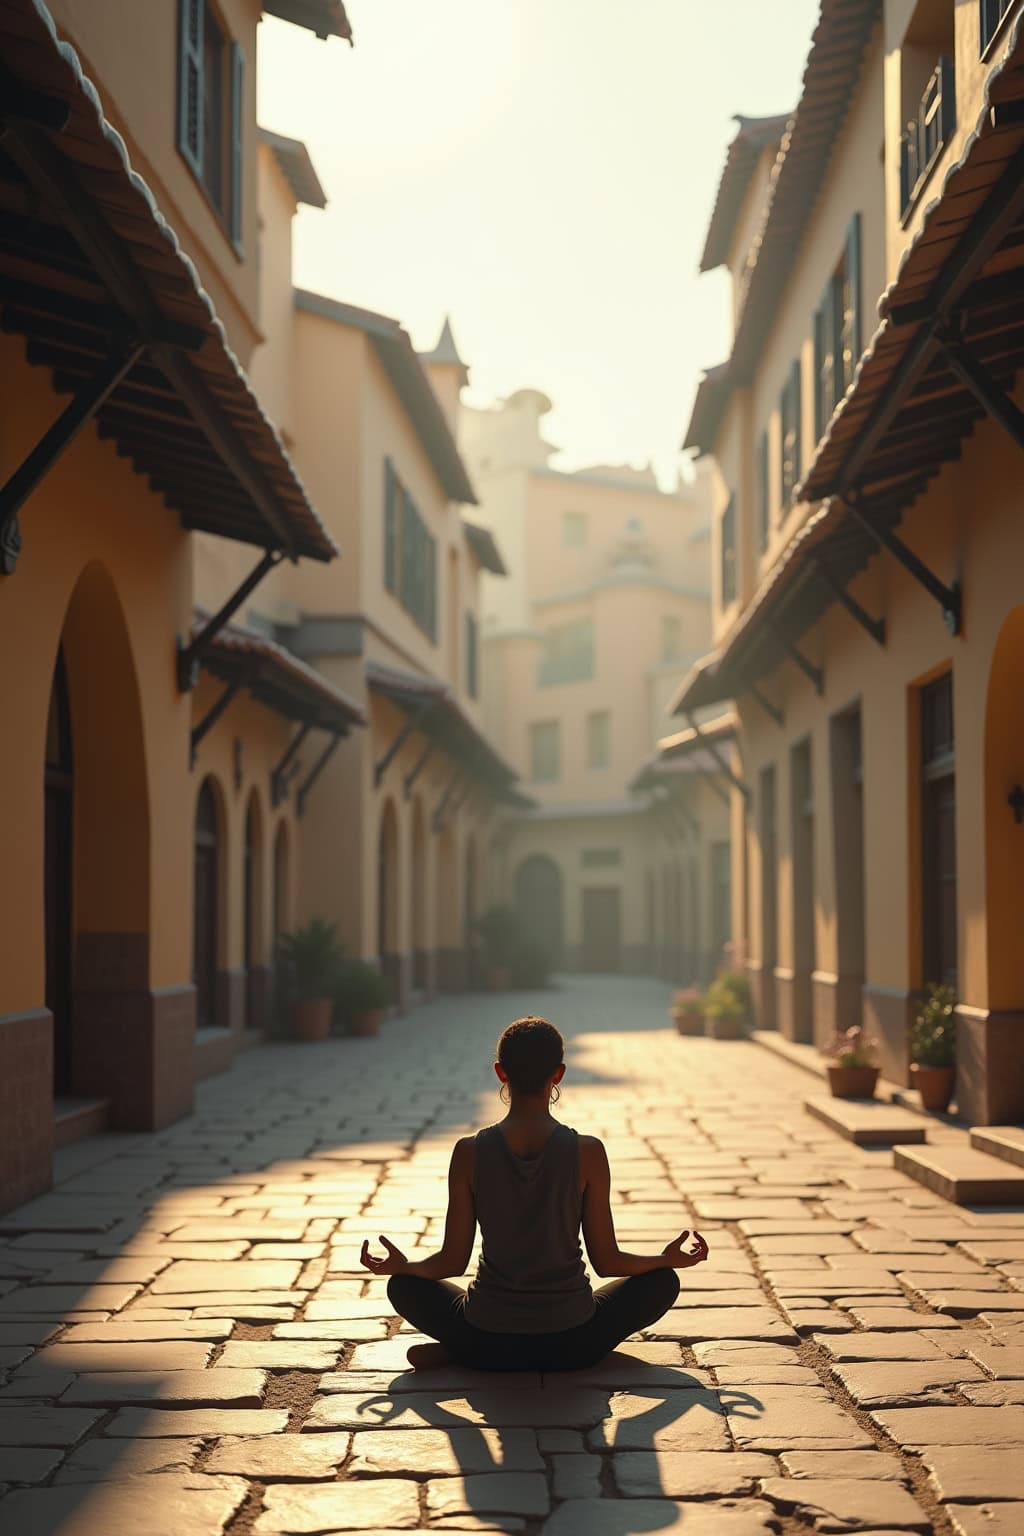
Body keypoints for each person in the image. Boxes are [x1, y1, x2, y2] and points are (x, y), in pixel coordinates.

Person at [360, 1014, 709, 1372]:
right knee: (662, 1282)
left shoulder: (469, 1152)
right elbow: (607, 1262)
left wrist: (403, 1267)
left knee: (403, 1287)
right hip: (574, 1341)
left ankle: (463, 1350)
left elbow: (452, 1261)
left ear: (501, 1073)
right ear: (558, 1074)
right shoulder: (587, 1152)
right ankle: (481, 1351)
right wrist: (665, 1261)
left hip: (488, 1332)